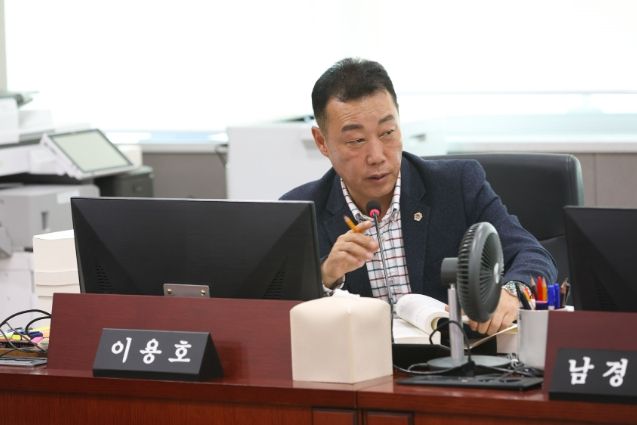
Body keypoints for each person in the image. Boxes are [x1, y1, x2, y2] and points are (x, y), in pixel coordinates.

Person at [281, 58, 557, 335]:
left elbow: (532, 255)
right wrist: (325, 277)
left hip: (454, 353)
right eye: (356, 141)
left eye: (387, 133)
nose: (377, 156)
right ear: (322, 142)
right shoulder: (300, 212)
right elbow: (277, 309)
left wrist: (510, 292)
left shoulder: (458, 185)